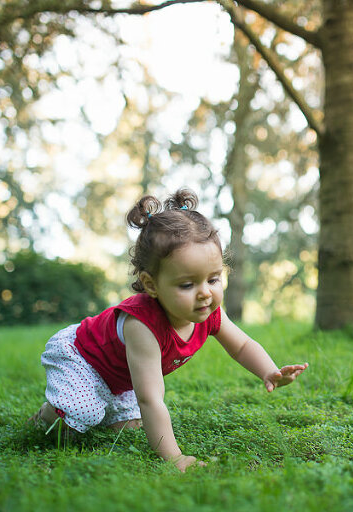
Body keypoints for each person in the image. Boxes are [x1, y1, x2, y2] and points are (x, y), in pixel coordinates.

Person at [31, 188, 308, 472]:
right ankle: (48, 413)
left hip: (119, 374)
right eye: (187, 285)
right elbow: (150, 397)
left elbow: (242, 345)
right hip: (83, 358)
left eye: (213, 279)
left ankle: (103, 400)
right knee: (81, 416)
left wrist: (269, 371)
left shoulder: (208, 312)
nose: (204, 294)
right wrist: (174, 457)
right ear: (151, 284)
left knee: (128, 427)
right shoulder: (142, 326)